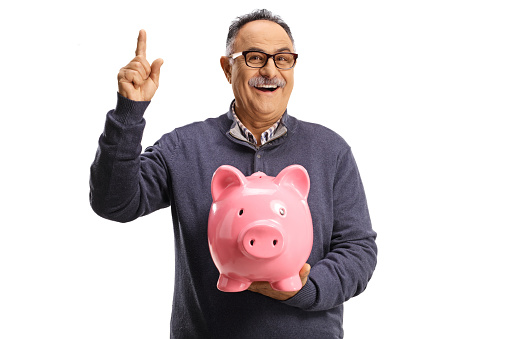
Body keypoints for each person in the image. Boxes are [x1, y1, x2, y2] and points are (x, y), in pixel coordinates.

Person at [90, 9, 377, 339]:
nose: (270, 71)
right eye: (255, 57)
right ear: (228, 68)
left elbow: (358, 250)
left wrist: (305, 288)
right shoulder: (184, 147)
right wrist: (129, 112)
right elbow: (114, 203)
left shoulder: (330, 150)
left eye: (283, 59)